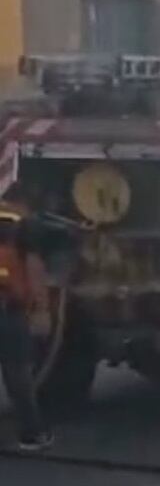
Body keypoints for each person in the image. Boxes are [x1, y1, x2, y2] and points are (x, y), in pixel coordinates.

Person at [0, 182, 54, 450]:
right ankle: (32, 434)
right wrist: (42, 310)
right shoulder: (26, 226)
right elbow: (33, 268)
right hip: (8, 309)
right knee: (17, 372)